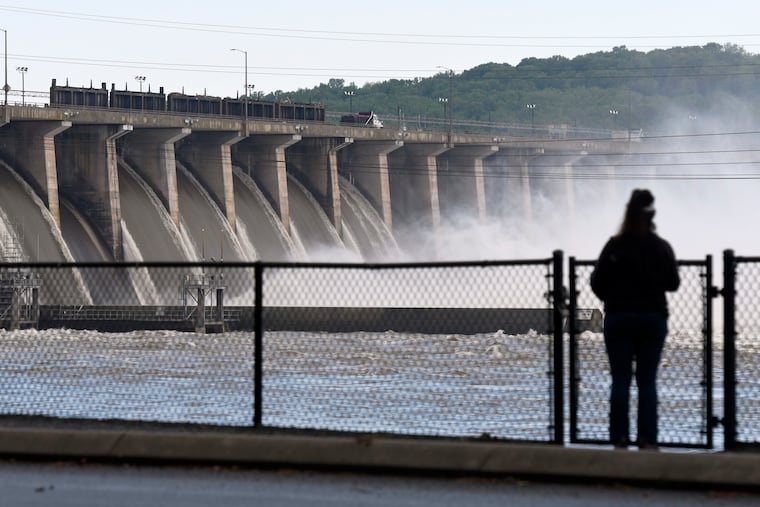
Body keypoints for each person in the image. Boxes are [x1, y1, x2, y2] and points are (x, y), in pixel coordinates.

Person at [590, 189, 680, 450]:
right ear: (653, 214)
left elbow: (597, 281)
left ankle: (619, 439)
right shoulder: (660, 246)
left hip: (618, 317)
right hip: (652, 318)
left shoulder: (615, 245)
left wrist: (612, 298)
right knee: (647, 381)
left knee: (620, 380)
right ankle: (647, 440)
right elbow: (673, 283)